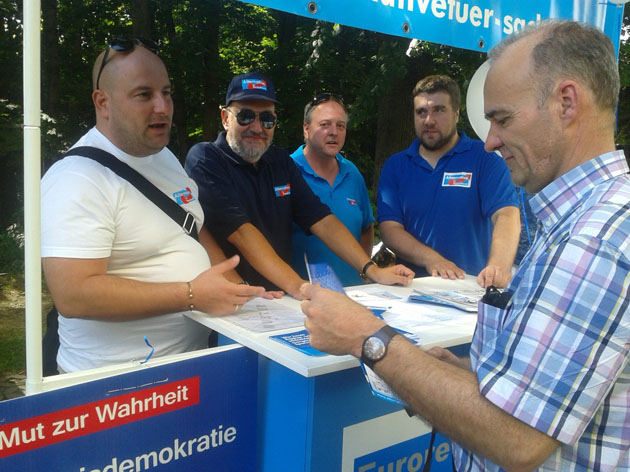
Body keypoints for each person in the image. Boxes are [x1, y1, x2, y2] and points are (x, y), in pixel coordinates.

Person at [302, 20, 630, 471]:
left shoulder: (593, 240)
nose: (491, 141)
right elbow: (545, 393)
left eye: (502, 118)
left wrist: (368, 336)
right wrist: (455, 374)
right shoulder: (582, 222)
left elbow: (517, 437)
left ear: (566, 102)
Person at [41, 38, 267, 373]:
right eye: (144, 95)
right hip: (117, 386)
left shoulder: (162, 156)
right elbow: (74, 294)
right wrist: (191, 295)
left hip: (189, 369)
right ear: (103, 102)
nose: (162, 107)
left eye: (166, 92)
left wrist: (235, 286)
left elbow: (190, 227)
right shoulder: (77, 178)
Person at [185, 72, 413, 298]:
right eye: (245, 116)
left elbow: (321, 219)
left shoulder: (279, 161)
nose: (257, 127)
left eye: (267, 119)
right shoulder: (206, 159)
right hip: (232, 300)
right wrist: (300, 287)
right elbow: (241, 232)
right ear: (225, 118)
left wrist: (371, 270)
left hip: (280, 300)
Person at [377, 74, 520, 288]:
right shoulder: (396, 166)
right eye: (421, 112)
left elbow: (506, 215)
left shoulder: (484, 159)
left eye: (439, 110)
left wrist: (498, 267)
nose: (429, 120)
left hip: (471, 288)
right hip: (410, 290)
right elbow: (390, 230)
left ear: (456, 113)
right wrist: (432, 260)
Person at [290, 93, 374, 286]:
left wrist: (364, 271)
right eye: (325, 124)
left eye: (340, 126)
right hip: (303, 297)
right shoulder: (287, 171)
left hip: (355, 294)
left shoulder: (352, 173)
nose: (334, 132)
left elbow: (367, 227)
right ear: (306, 129)